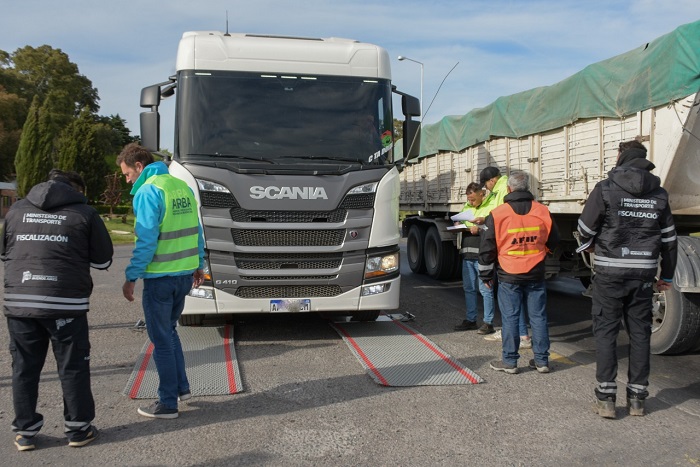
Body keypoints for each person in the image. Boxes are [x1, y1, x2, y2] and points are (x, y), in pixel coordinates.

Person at [1, 169, 113, 451]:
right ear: (77, 190)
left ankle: (25, 432)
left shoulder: (16, 210)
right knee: (72, 366)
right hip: (65, 304)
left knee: (24, 368)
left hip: (21, 304)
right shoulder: (85, 214)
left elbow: (5, 254)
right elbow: (103, 261)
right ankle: (78, 429)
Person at [577, 140, 677, 418]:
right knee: (640, 334)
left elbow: (585, 227)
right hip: (643, 276)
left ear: (621, 157)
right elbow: (669, 240)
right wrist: (666, 275)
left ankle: (606, 399)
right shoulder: (659, 194)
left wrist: (590, 244)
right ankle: (637, 399)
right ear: (644, 160)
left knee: (607, 332)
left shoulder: (606, 188)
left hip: (609, 274)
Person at [117, 143, 205, 419]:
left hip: (160, 280)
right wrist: (199, 264)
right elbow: (197, 230)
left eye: (127, 173)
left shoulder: (148, 191)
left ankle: (167, 403)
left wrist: (132, 276)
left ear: (139, 167)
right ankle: (182, 388)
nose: (127, 179)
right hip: (183, 277)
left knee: (161, 340)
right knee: (171, 332)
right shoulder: (182, 188)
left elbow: (146, 241)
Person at [479, 171, 559, 375]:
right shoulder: (542, 211)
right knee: (538, 316)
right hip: (535, 272)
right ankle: (542, 361)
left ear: (508, 189)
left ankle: (510, 362)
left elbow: (487, 248)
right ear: (528, 188)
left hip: (508, 273)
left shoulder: (498, 214)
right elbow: (553, 241)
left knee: (511, 317)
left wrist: (486, 275)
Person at [479, 167, 532, 348]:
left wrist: (483, 220)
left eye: (486, 184)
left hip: (507, 253)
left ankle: (514, 346)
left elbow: (497, 218)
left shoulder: (500, 190)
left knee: (509, 298)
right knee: (527, 302)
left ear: (492, 181)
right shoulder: (537, 208)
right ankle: (527, 338)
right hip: (526, 255)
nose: (486, 188)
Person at [453, 182, 496, 334]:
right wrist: (460, 223)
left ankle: (488, 322)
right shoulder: (468, 206)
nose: (470, 202)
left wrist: (479, 226)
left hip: (483, 255)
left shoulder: (490, 206)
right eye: (469, 199)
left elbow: (493, 225)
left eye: (473, 199)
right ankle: (471, 319)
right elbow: (464, 218)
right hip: (467, 253)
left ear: (481, 194)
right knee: (469, 288)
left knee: (485, 289)